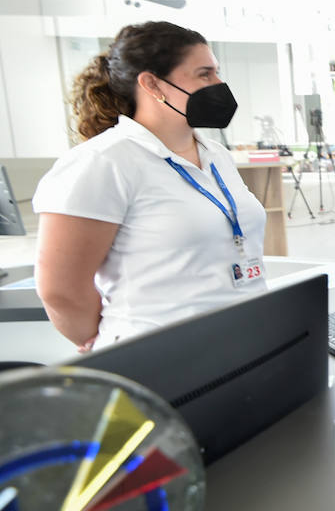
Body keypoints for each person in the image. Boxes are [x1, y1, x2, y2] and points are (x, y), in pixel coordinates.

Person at [32, 21, 268, 352]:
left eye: (217, 72)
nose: (219, 84)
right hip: (160, 354)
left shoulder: (216, 155)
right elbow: (60, 290)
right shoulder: (103, 162)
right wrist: (121, 345)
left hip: (240, 342)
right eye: (204, 74)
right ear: (152, 84)